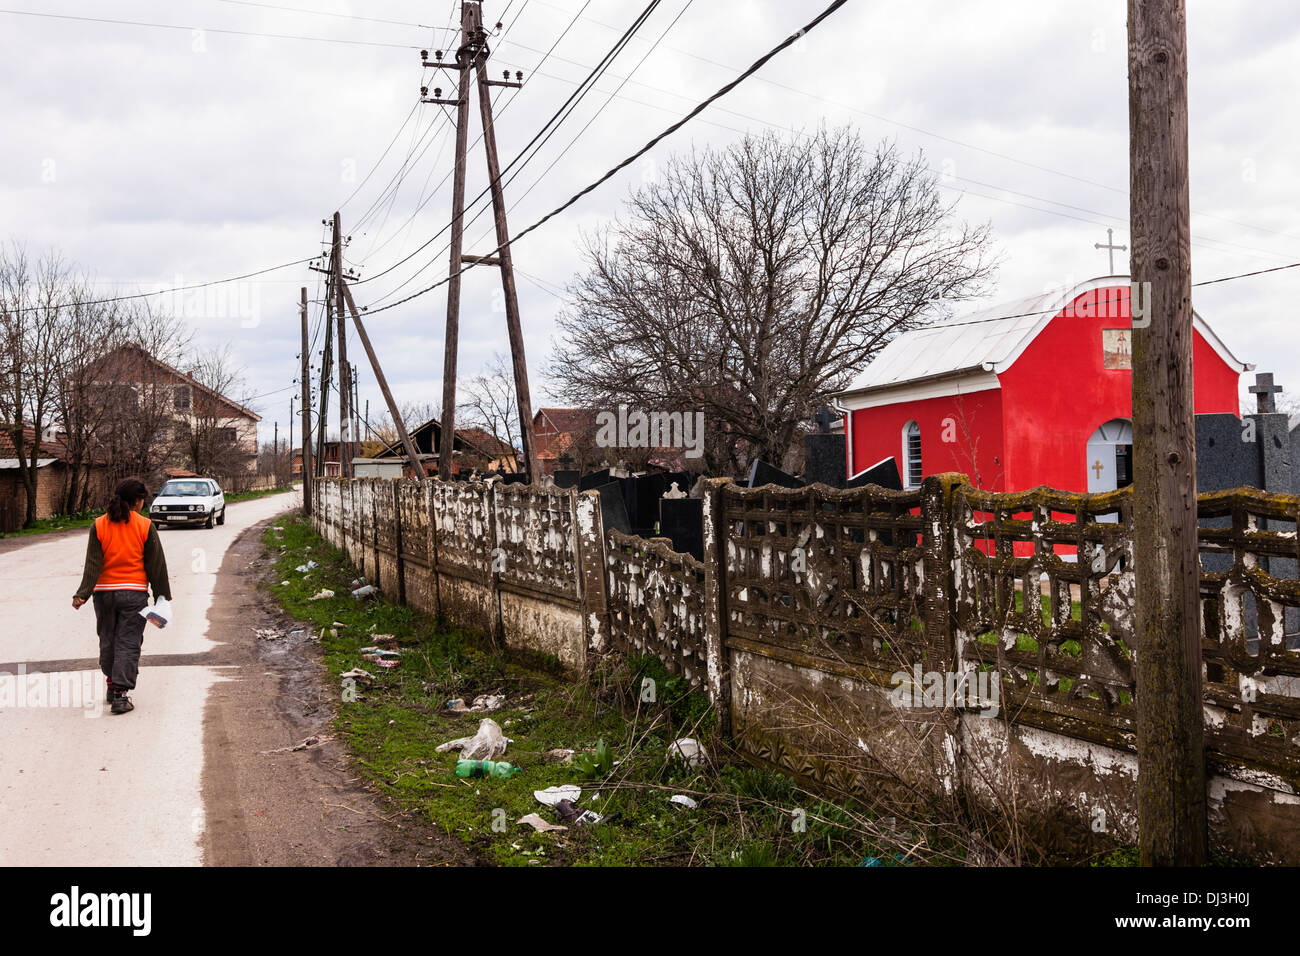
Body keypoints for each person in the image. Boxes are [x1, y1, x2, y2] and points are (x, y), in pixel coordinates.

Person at [72, 478, 172, 715]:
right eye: (143, 500)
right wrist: (162, 597)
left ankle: (111, 683)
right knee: (128, 641)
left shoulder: (99, 525)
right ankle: (120, 694)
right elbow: (156, 566)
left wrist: (82, 594)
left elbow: (93, 564)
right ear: (137, 502)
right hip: (134, 595)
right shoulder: (145, 525)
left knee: (108, 639)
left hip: (104, 596)